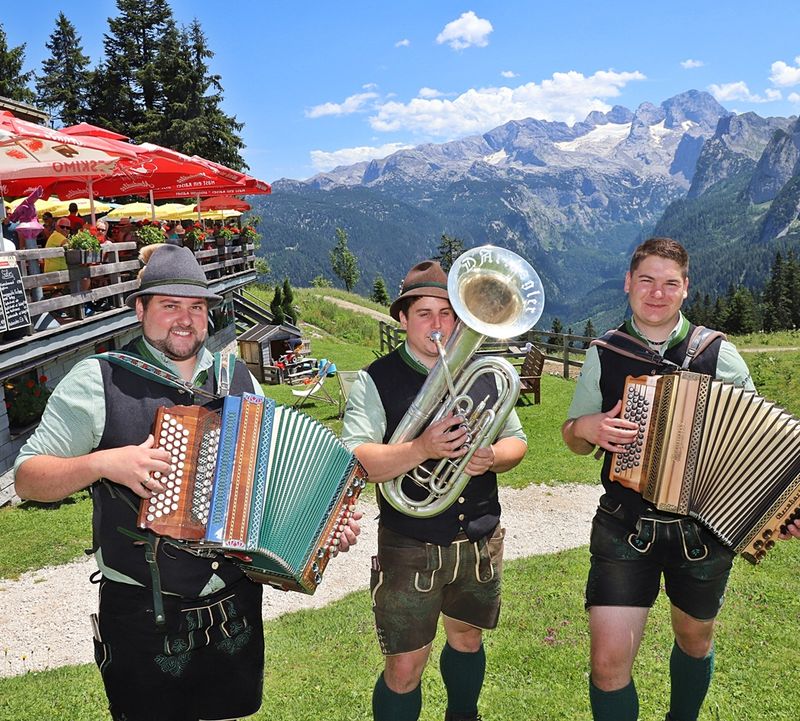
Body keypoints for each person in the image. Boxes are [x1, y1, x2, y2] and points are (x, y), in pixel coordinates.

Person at [14, 244, 362, 721]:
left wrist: (321, 531)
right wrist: (102, 464)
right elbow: (28, 477)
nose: (185, 318)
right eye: (169, 305)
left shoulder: (240, 378)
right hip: (144, 612)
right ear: (140, 310)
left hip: (234, 606)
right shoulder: (98, 380)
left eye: (196, 306)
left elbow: (271, 490)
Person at [561, 237, 800, 721]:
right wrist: (585, 428)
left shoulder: (720, 354)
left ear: (685, 289)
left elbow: (760, 441)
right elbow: (574, 439)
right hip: (625, 526)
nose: (657, 293)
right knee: (607, 667)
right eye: (646, 280)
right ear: (629, 283)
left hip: (704, 533)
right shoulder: (604, 352)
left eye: (670, 283)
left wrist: (787, 510)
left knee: (695, 642)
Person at [342, 259, 527, 721]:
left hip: (479, 537)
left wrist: (493, 457)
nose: (438, 324)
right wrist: (423, 448)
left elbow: (517, 442)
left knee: (468, 640)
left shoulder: (485, 372)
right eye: (424, 313)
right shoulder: (375, 379)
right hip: (410, 543)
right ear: (402, 319)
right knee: (405, 667)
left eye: (447, 313)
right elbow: (357, 459)